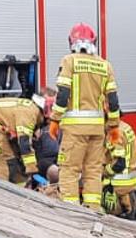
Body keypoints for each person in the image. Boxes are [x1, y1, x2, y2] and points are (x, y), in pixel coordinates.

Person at [49, 23, 120, 212]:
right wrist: (114, 126)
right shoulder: (105, 65)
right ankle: (93, 210)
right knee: (93, 171)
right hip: (97, 130)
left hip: (75, 130)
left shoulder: (69, 61)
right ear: (93, 42)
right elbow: (113, 101)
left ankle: (71, 212)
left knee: (70, 170)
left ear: (71, 41)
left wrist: (55, 120)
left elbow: (63, 94)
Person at [0, 84, 50, 183]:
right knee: (6, 164)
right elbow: (24, 142)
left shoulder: (33, 111)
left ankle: (21, 190)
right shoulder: (30, 112)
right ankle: (3, 193)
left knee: (15, 162)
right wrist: (31, 168)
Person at [106, 120, 136, 217]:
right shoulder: (125, 126)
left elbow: (118, 164)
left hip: (119, 180)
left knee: (95, 195)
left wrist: (104, 172)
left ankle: (125, 204)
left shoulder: (115, 132)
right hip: (131, 176)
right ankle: (128, 198)